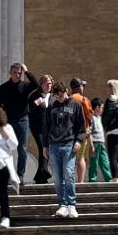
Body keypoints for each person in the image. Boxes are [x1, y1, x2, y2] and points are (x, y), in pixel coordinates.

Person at [44, 80, 84, 218]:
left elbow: (81, 127)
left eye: (62, 95)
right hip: (54, 145)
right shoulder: (51, 107)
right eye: (57, 96)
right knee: (57, 176)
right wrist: (45, 146)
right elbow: (46, 127)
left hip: (69, 144)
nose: (60, 98)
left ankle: (71, 204)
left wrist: (78, 141)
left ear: (67, 91)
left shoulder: (76, 105)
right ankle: (62, 204)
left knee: (68, 173)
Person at [0, 62, 38, 181]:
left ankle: (20, 175)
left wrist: (27, 71)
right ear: (10, 73)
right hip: (8, 121)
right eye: (15, 73)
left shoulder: (25, 86)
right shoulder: (4, 87)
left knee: (22, 149)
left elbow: (36, 84)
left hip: (23, 120)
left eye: (20, 73)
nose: (18, 75)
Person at [28, 72, 54, 184]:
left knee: (46, 150)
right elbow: (29, 110)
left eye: (50, 84)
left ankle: (40, 176)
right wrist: (36, 103)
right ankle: (44, 173)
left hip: (49, 128)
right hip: (37, 127)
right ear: (41, 84)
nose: (49, 86)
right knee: (42, 148)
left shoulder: (53, 96)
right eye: (46, 83)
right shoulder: (35, 95)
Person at [87, 97, 113, 181]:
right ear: (97, 107)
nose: (102, 109)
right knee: (94, 163)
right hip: (95, 143)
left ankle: (108, 179)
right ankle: (92, 180)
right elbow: (89, 133)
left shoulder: (100, 118)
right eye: (101, 107)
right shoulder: (92, 118)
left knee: (105, 162)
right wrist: (91, 146)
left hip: (101, 143)